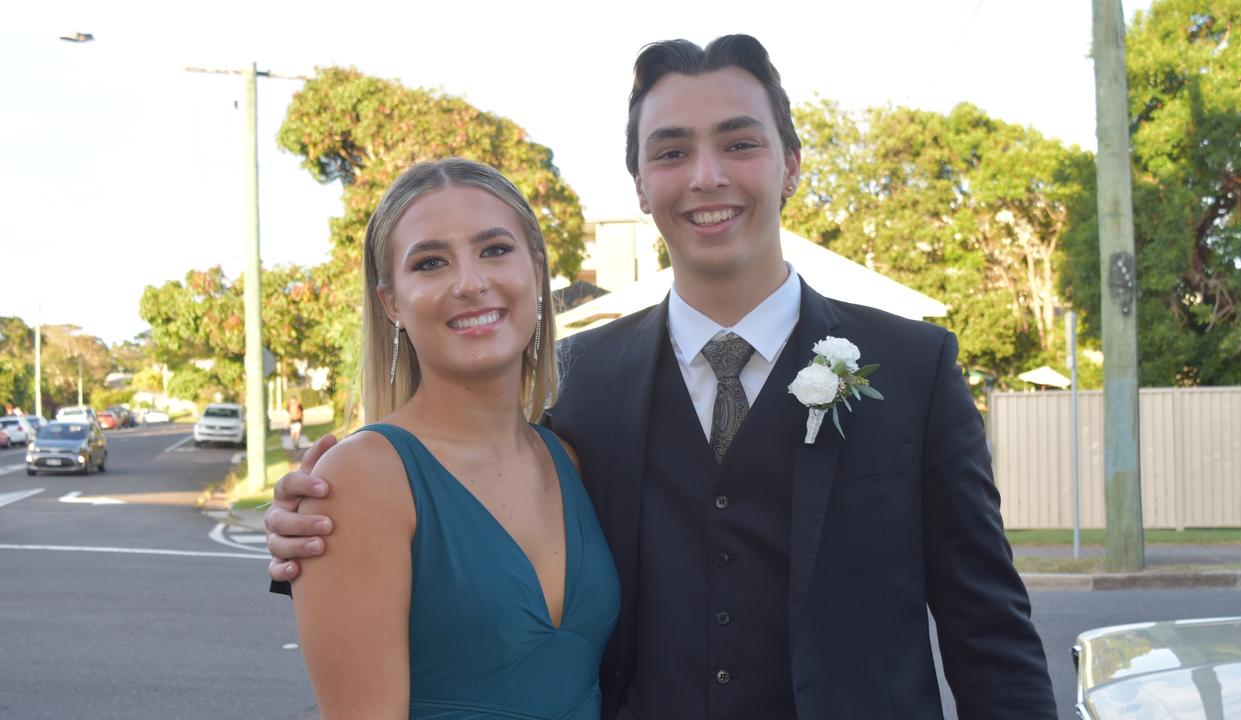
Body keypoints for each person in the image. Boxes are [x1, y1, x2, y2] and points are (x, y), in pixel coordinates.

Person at [268, 35, 1055, 719]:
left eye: (738, 144)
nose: (705, 176)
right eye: (671, 151)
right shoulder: (580, 386)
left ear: (790, 165)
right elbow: (457, 525)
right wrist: (313, 525)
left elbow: (987, 630)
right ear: (641, 185)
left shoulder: (915, 369)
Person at [282, 158, 619, 719]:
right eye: (431, 262)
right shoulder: (364, 476)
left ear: (536, 272)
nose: (470, 283)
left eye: (494, 250)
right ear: (392, 303)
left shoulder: (566, 459)